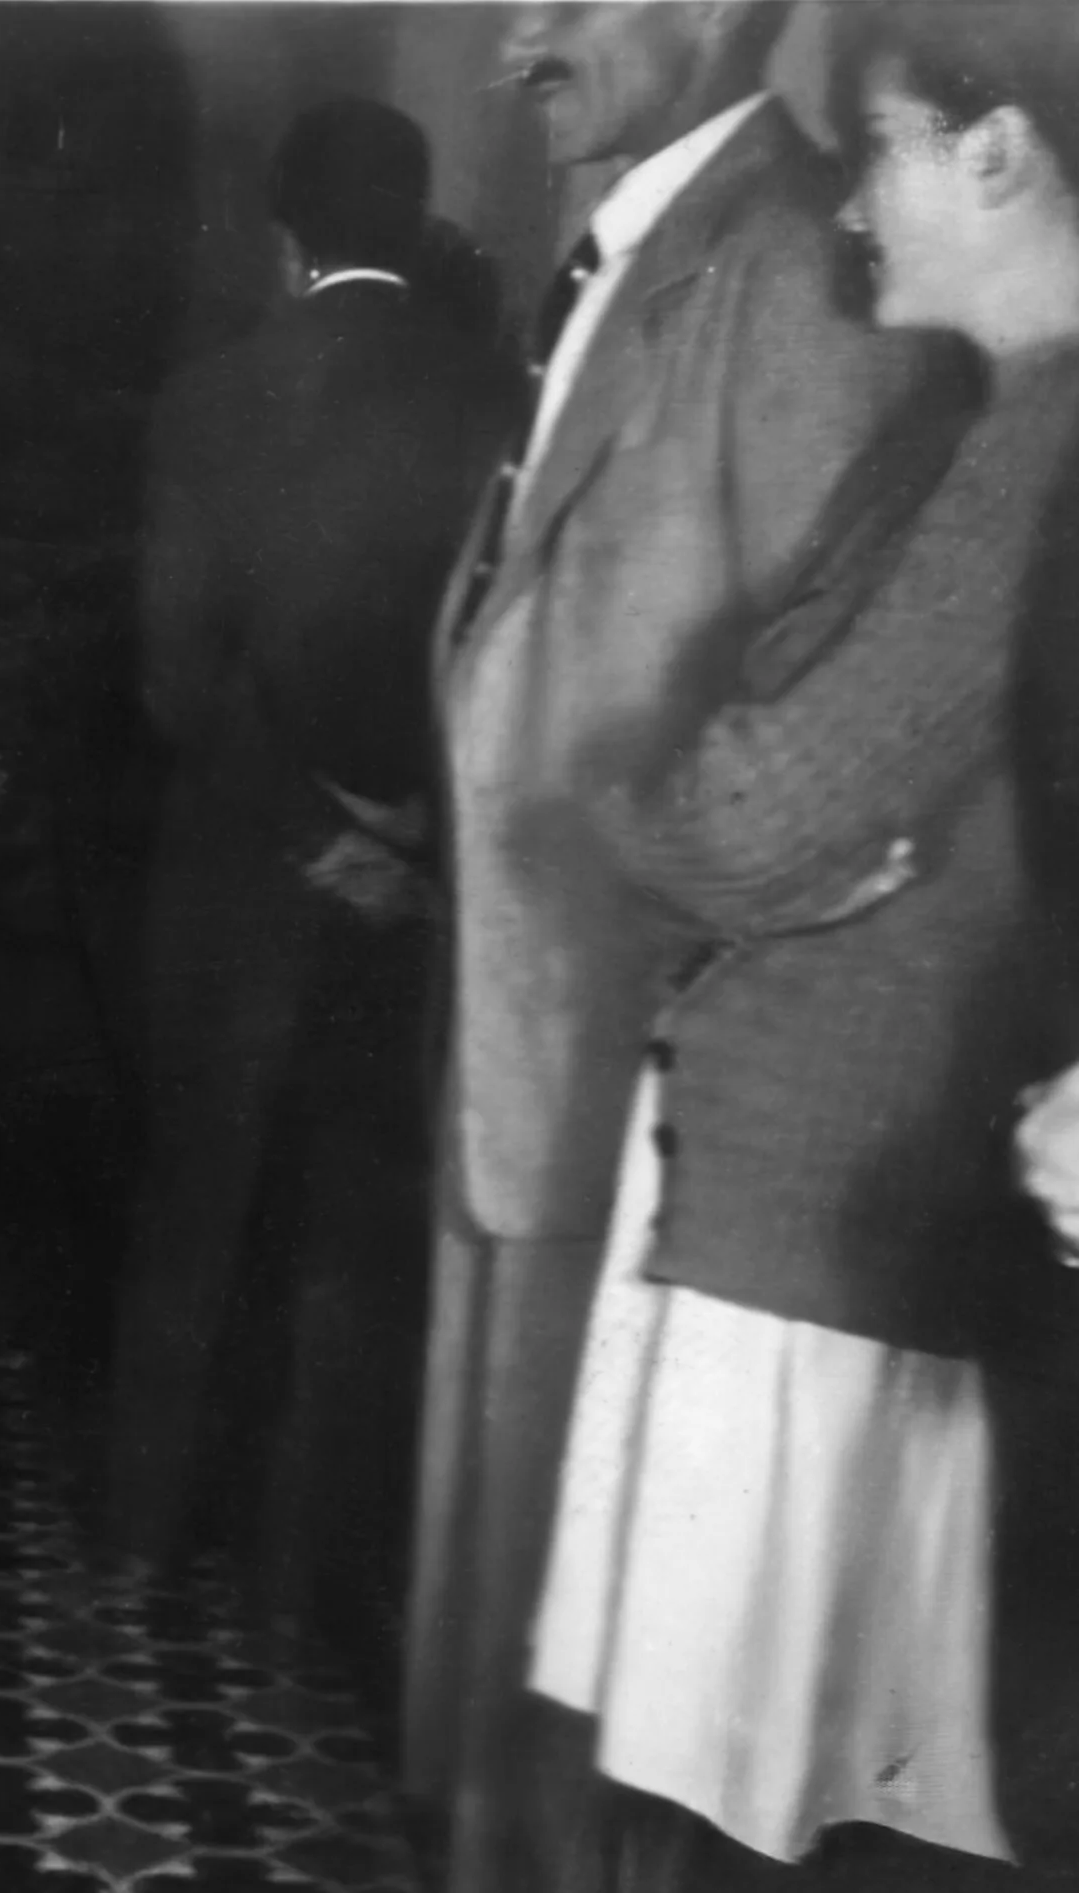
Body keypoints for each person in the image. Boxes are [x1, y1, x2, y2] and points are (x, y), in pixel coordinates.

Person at [414, 4, 971, 1884]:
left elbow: (842, 730)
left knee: (625, 1705)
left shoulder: (808, 262)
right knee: (536, 1662)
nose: (509, 53)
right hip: (542, 1033)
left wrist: (705, 919)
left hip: (648, 1070)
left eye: (552, 2)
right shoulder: (658, 239)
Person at [539, 5, 1079, 1881]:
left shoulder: (1036, 445)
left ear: (998, 149)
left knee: (762, 1795)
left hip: (839, 1223)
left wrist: (638, 825)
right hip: (815, 1195)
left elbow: (756, 803)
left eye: (879, 146)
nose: (849, 197)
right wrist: (713, 822)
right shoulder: (982, 422)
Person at [106, 99, 521, 1694]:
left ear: (283, 238)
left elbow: (172, 680)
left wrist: (308, 826)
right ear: (415, 227)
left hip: (235, 869)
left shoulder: (213, 398)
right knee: (360, 1233)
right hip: (424, 881)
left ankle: (138, 1558)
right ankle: (303, 1592)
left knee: (192, 1211)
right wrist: (404, 832)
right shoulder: (502, 396)